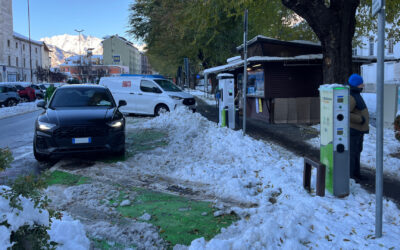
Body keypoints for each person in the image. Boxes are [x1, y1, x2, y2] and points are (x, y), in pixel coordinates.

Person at [348, 73, 369, 181]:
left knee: (357, 152)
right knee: (352, 153)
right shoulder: (352, 96)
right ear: (356, 85)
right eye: (361, 84)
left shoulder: (356, 94)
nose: (363, 85)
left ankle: (356, 174)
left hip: (358, 130)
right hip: (354, 130)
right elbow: (345, 113)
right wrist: (360, 119)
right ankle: (351, 176)